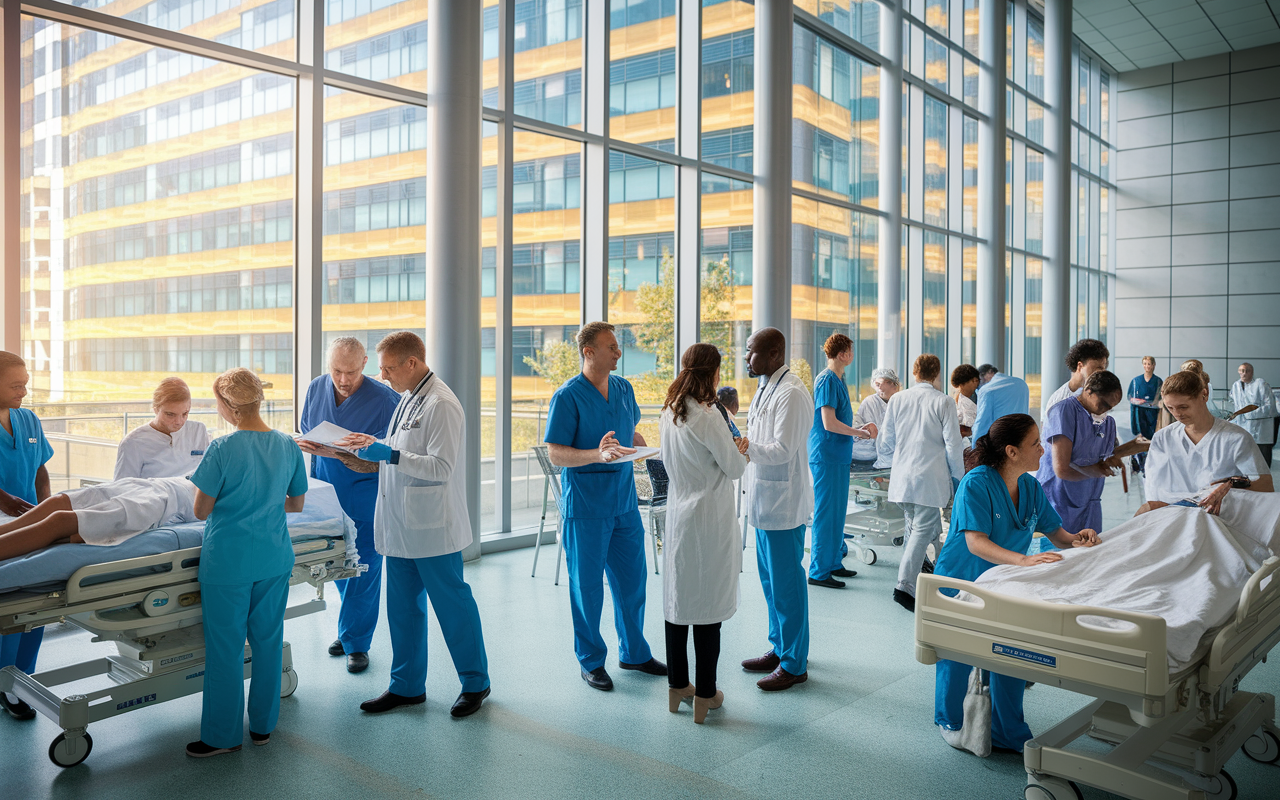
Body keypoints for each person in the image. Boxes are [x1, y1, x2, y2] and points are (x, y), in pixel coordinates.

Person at [334, 331, 491, 718]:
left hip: (433, 529)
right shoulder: (408, 398)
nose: (383, 376)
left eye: (388, 368)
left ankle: (476, 682)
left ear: (412, 363)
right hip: (401, 526)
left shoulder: (442, 404)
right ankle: (406, 687)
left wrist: (389, 452)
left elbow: (441, 467)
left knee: (454, 609)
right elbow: (402, 447)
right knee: (402, 610)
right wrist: (370, 447)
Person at [932, 414, 1099, 754]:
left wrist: (1080, 538)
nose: (1042, 449)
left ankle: (1009, 730)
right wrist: (1024, 560)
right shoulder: (976, 483)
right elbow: (975, 542)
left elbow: (1059, 535)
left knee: (1008, 654)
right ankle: (952, 722)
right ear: (1011, 451)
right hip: (963, 580)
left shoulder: (1030, 487)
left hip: (1004, 584)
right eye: (1035, 443)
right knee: (959, 653)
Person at [186, 368, 308, 758]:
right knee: (268, 644)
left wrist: (234, 501)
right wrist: (263, 502)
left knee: (225, 650)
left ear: (227, 406)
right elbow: (296, 503)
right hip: (273, 558)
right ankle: (263, 728)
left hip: (228, 563)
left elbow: (200, 511)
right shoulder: (288, 445)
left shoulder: (221, 449)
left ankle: (222, 737)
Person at [542, 322, 664, 691]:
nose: (618, 352)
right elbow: (556, 453)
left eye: (618, 345)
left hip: (624, 501)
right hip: (586, 505)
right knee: (588, 587)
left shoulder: (624, 389)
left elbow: (630, 432)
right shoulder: (568, 396)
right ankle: (591, 660)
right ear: (589, 351)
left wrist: (640, 446)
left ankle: (634, 653)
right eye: (611, 346)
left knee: (632, 581)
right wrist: (598, 453)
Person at [297, 337, 400, 674]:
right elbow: (307, 429)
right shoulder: (316, 388)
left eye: (351, 372)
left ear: (365, 363)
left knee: (364, 568)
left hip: (367, 497)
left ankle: (357, 644)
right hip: (327, 494)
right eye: (336, 371)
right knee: (338, 565)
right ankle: (349, 628)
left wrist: (348, 453)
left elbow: (394, 455)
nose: (343, 379)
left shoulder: (386, 400)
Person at [658, 344, 748, 724]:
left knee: (679, 603)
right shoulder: (710, 416)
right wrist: (741, 450)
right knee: (708, 608)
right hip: (708, 518)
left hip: (679, 513)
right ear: (713, 373)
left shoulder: (671, 409)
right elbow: (734, 468)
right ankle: (706, 694)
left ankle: (678, 685)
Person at [738, 327, 814, 691]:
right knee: (771, 583)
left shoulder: (792, 394)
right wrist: (744, 444)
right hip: (765, 501)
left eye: (751, 352)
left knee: (787, 585)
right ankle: (779, 647)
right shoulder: (767, 387)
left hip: (783, 504)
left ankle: (794, 663)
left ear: (774, 354)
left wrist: (744, 445)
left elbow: (782, 449)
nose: (746, 358)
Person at [875, 354, 965, 612]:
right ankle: (904, 587)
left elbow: (886, 441)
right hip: (929, 478)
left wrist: (896, 457)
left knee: (920, 528)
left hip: (902, 476)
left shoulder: (898, 399)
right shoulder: (944, 402)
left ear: (914, 374)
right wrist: (958, 476)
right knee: (921, 532)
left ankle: (935, 576)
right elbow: (953, 444)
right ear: (936, 374)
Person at [1033, 371, 1147, 554]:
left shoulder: (1107, 422)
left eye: (1110, 407)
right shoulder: (1063, 412)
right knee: (1055, 559)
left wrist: (1135, 447)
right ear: (1088, 390)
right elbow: (1061, 469)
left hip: (1089, 502)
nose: (1105, 410)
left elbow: (1105, 457)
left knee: (1088, 557)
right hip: (1059, 499)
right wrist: (1096, 471)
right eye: (1102, 403)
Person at [0, 352, 54, 722]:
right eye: (16, 385)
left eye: (25, 383)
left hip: (34, 525)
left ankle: (22, 679)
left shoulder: (29, 419)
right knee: (8, 609)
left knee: (36, 606)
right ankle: (5, 685)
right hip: (4, 530)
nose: (24, 391)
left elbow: (41, 472)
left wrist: (50, 513)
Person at [1140, 370, 1273, 517]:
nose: (1177, 414)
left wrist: (1230, 486)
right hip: (1173, 513)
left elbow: (1265, 486)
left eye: (1183, 407)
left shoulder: (1236, 438)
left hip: (1218, 517)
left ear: (1204, 395)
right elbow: (1153, 488)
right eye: (1170, 408)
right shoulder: (1162, 438)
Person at [0, 476, 196, 561]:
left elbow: (203, 510)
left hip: (163, 502)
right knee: (58, 502)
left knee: (60, 521)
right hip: (157, 484)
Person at [807, 333, 866, 588]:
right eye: (850, 351)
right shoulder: (826, 380)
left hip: (838, 456)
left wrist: (860, 429)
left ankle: (833, 563)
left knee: (837, 513)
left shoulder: (839, 380)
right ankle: (819, 572)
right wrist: (859, 433)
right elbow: (828, 423)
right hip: (826, 456)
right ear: (843, 354)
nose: (852, 355)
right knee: (825, 514)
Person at [113, 377, 210, 480]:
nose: (179, 421)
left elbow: (208, 474)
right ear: (156, 409)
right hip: (154, 495)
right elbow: (122, 488)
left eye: (185, 413)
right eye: (170, 414)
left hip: (195, 495)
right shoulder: (132, 443)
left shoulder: (198, 431)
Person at [1041, 339, 1109, 418]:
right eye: (1098, 369)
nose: (1101, 374)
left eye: (1104, 369)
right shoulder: (1059, 401)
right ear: (1080, 366)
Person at [1229, 362, 1277, 467]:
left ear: (1252, 372)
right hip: (1243, 427)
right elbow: (1233, 405)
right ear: (1238, 372)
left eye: (1247, 371)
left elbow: (1270, 407)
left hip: (1261, 429)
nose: (1244, 373)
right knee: (1246, 461)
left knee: (1263, 461)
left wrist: (1249, 414)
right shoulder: (1236, 386)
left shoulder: (1261, 384)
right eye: (1242, 371)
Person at [851, 368, 899, 464]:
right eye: (877, 385)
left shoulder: (899, 402)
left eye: (884, 384)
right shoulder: (870, 402)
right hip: (869, 452)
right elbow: (870, 433)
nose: (880, 388)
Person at [973, 364, 1030, 441]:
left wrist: (975, 447)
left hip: (999, 440)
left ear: (990, 372)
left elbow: (981, 423)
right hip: (1021, 437)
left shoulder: (987, 390)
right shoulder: (1021, 384)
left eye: (981, 379)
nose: (981, 384)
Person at [1127, 356, 1162, 473]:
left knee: (1151, 437)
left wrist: (1154, 404)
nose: (1147, 366)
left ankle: (1148, 463)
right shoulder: (1136, 381)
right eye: (1145, 364)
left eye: (1149, 364)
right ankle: (1136, 462)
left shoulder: (1158, 381)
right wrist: (1136, 401)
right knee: (1139, 436)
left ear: (1153, 365)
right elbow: (1130, 396)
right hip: (1139, 412)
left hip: (1152, 413)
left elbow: (1160, 398)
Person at [950, 364, 980, 439]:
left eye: (962, 385)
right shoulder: (958, 398)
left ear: (975, 381)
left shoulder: (981, 397)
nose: (960, 389)